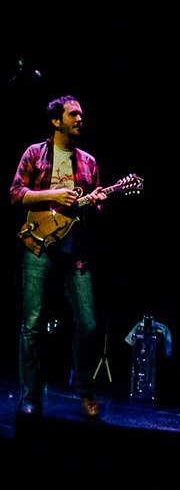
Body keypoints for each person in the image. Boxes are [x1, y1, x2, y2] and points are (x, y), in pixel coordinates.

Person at [10, 95, 107, 418]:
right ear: (56, 121)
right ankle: (30, 398)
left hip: (74, 254)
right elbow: (16, 194)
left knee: (89, 326)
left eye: (81, 113)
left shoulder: (89, 162)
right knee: (33, 325)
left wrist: (95, 202)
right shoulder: (35, 154)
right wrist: (52, 194)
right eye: (73, 114)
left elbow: (95, 207)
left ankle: (84, 390)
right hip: (38, 247)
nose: (80, 118)